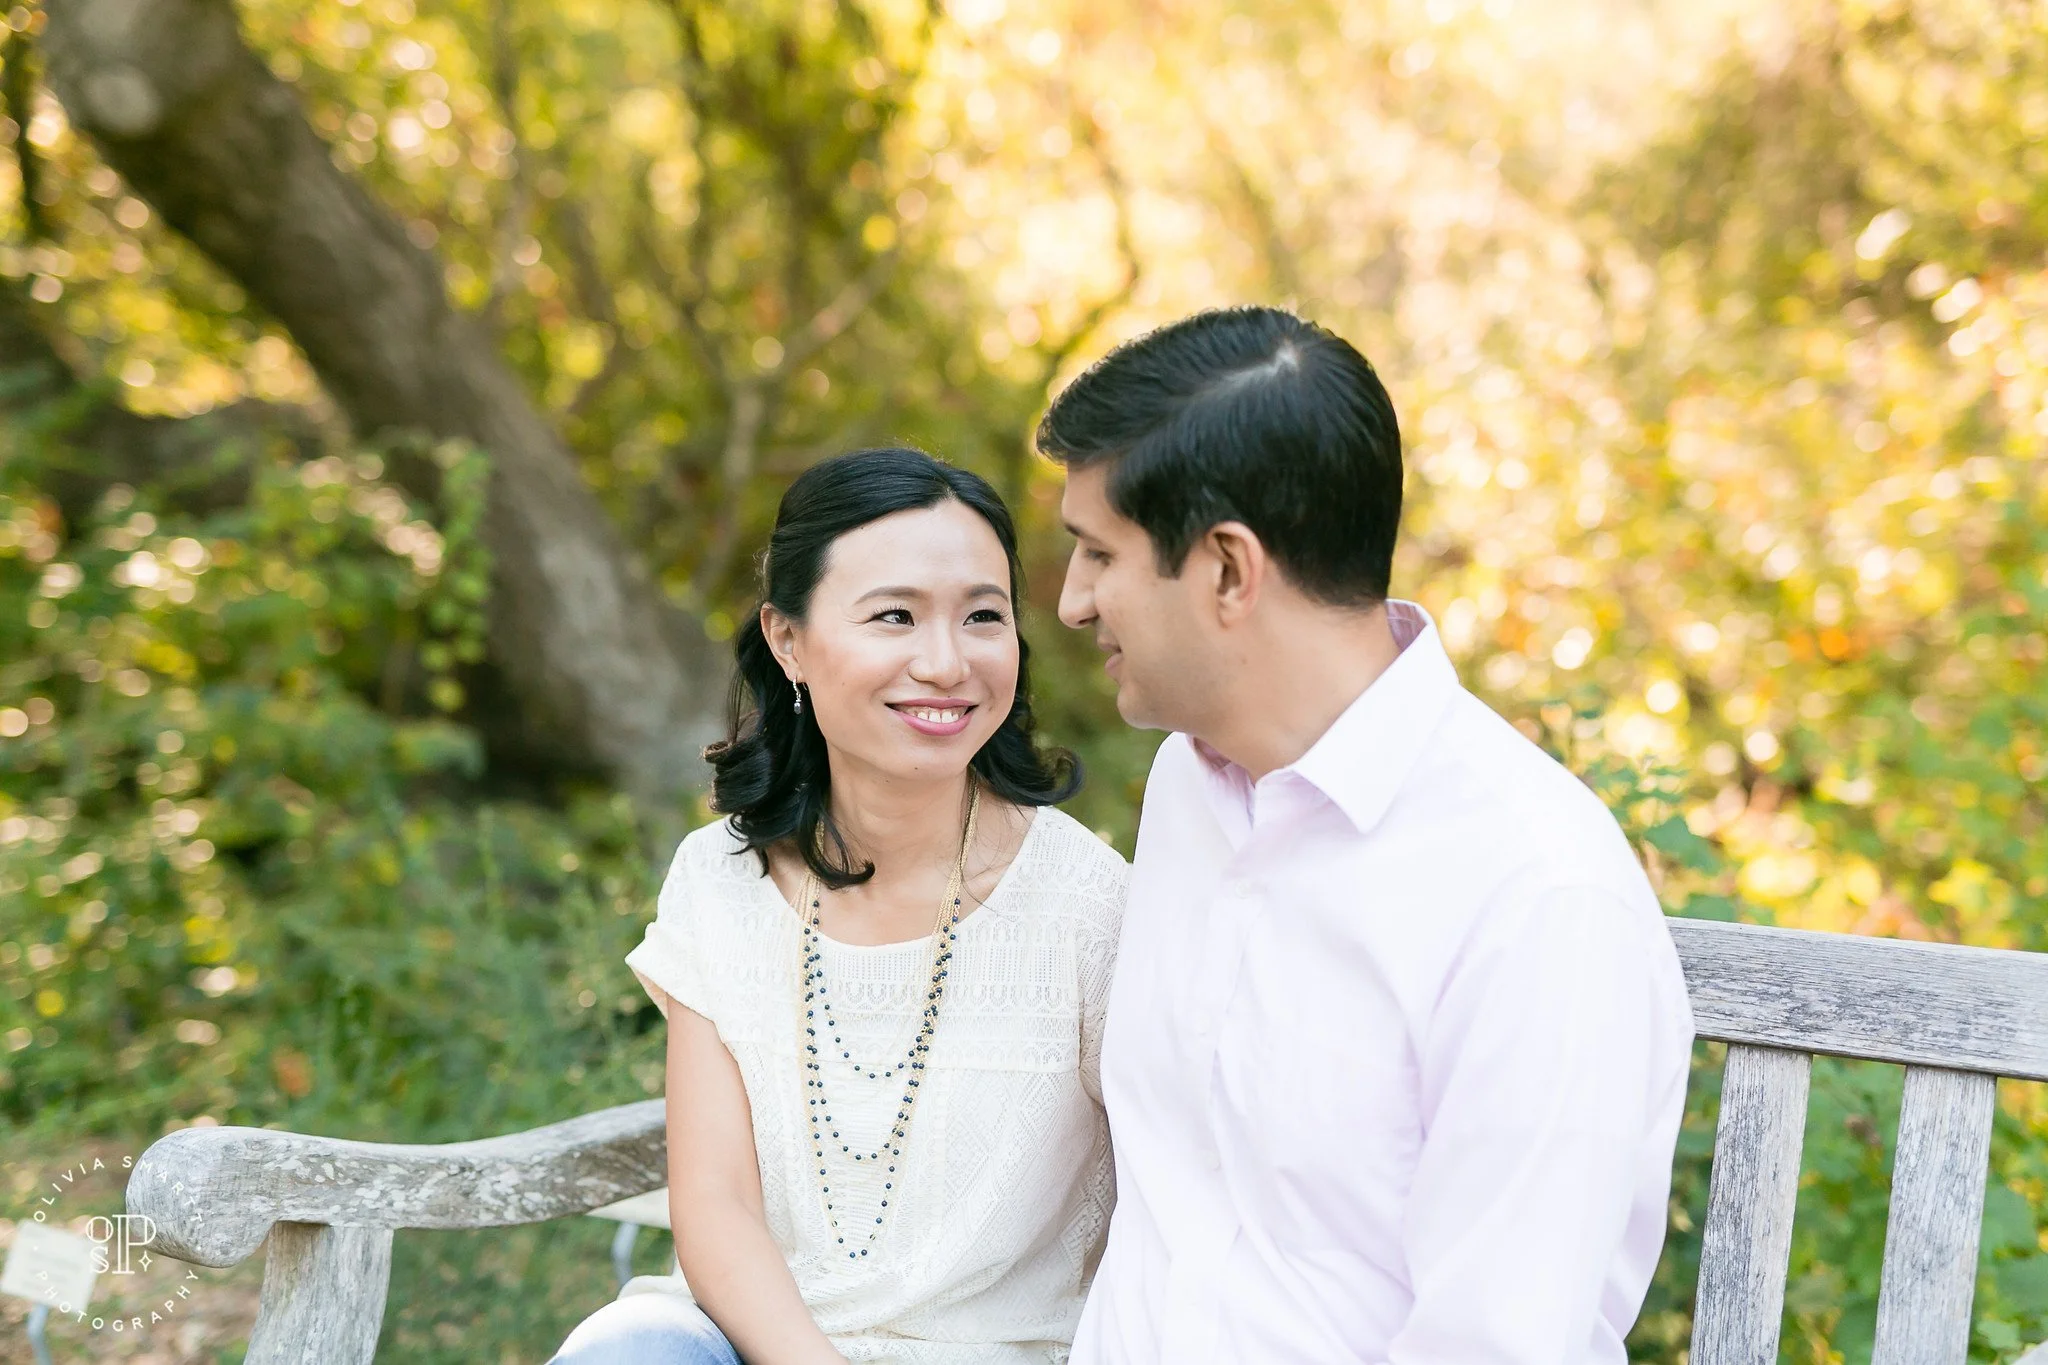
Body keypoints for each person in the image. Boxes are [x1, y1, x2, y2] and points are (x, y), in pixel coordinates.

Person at [1044, 307, 1696, 1365]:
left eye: (1097, 554)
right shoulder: (1189, 788)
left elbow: (1491, 1347)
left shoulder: (1535, 897)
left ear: (1225, 571)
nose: (1072, 602)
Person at [549, 447, 1128, 1365]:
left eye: (984, 615)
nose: (945, 662)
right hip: (747, 1344)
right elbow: (718, 1206)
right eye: (894, 615)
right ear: (788, 640)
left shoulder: (1093, 908)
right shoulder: (719, 881)